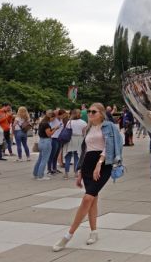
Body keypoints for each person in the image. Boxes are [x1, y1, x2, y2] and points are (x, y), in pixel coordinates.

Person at [53, 103, 123, 252]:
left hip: (103, 166)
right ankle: (94, 232)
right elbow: (84, 151)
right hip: (87, 166)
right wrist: (79, 171)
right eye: (89, 111)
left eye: (94, 112)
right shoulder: (88, 128)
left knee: (87, 198)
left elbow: (111, 145)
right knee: (93, 199)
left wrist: (100, 163)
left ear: (102, 113)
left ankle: (68, 235)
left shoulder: (109, 126)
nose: (90, 114)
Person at [62, 109, 87, 179]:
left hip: (70, 139)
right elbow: (84, 133)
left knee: (68, 156)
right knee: (77, 156)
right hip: (79, 139)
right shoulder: (83, 122)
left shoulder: (69, 122)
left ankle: (66, 174)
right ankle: (76, 173)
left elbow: (66, 131)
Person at [33, 111, 56, 179]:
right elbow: (49, 134)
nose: (53, 120)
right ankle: (41, 175)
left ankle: (36, 173)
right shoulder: (46, 124)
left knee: (40, 159)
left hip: (41, 141)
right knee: (44, 160)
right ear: (50, 117)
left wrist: (52, 129)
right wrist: (55, 129)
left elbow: (45, 132)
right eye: (53, 118)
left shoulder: (42, 123)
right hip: (46, 142)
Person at [48, 109, 65, 175]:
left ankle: (54, 168)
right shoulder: (54, 119)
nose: (63, 117)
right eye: (62, 115)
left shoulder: (61, 120)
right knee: (52, 154)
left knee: (56, 154)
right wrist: (56, 113)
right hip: (54, 138)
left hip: (59, 138)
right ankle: (49, 169)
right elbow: (51, 117)